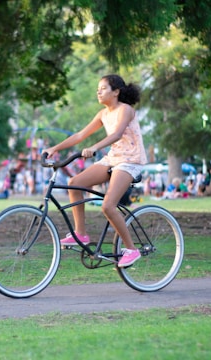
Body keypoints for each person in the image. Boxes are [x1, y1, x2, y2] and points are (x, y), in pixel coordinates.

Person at [42, 74, 147, 268]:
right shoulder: (103, 114)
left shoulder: (126, 110)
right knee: (74, 183)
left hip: (130, 160)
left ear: (116, 92)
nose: (98, 91)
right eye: (98, 88)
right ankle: (80, 234)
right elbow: (80, 135)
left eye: (103, 88)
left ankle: (131, 249)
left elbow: (116, 134)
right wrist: (55, 148)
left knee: (108, 206)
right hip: (113, 159)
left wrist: (95, 148)